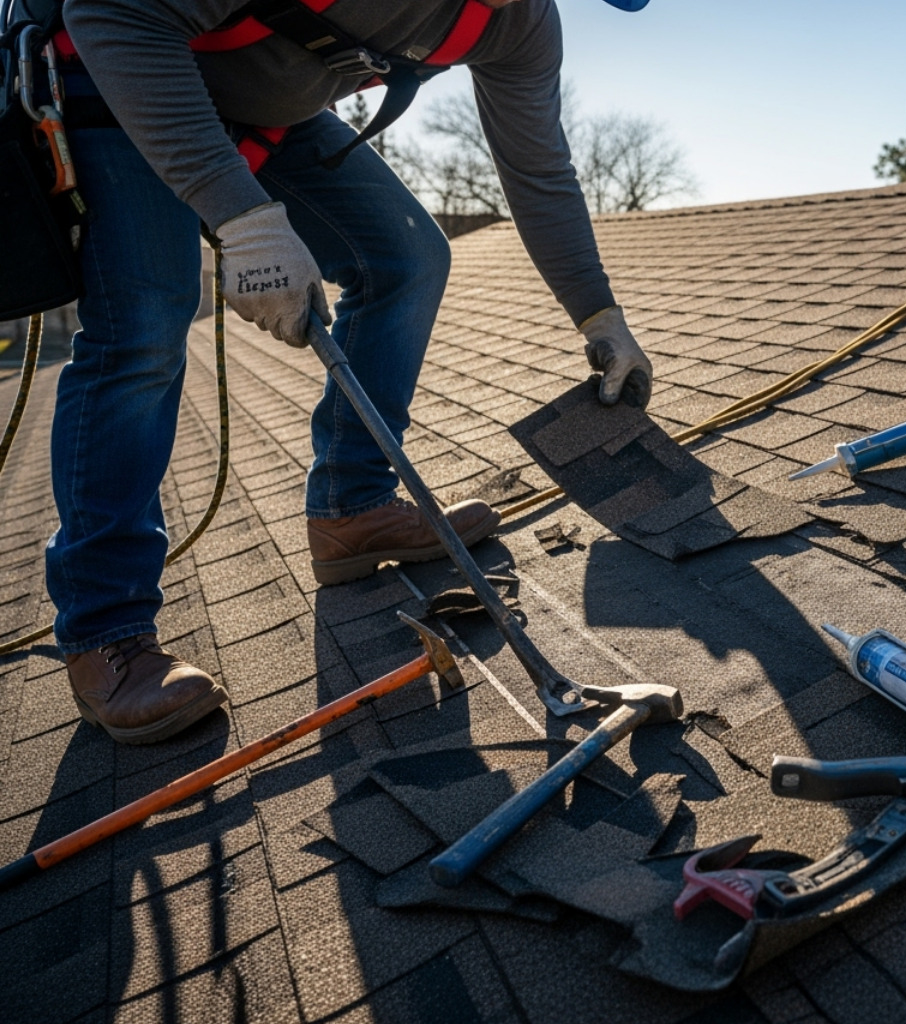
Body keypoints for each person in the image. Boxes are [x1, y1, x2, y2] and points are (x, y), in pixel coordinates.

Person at [47, 0, 654, 744]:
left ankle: (350, 510)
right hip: (124, 65)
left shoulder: (518, 24)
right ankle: (103, 629)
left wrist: (598, 314)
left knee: (406, 259)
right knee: (145, 324)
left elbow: (538, 168)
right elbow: (114, 13)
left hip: (264, 105)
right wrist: (242, 217)